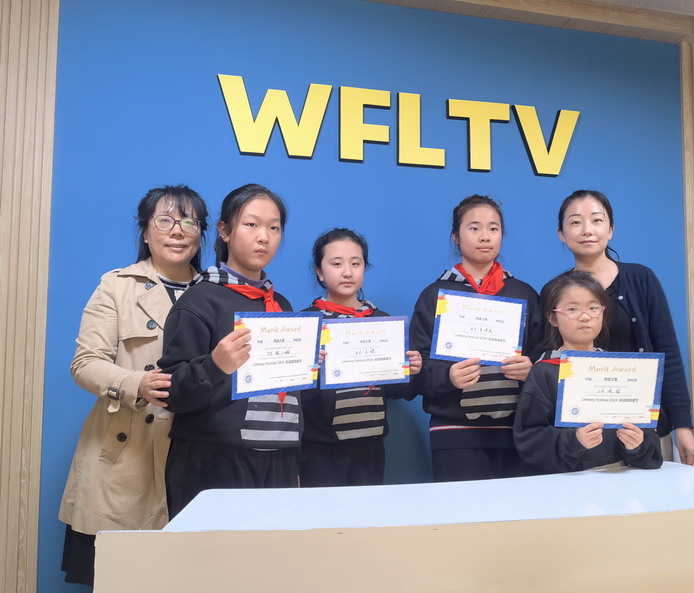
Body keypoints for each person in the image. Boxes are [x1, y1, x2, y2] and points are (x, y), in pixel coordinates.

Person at [59, 185, 209, 586]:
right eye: (164, 220)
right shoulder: (116, 285)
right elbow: (84, 363)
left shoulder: (217, 292)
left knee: (196, 579)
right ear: (145, 231)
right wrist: (134, 383)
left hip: (199, 452)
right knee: (122, 582)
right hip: (128, 455)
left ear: (201, 234)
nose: (176, 231)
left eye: (189, 222)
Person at [157, 183, 297, 517]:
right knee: (214, 552)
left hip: (280, 458)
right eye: (251, 224)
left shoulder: (281, 304)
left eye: (274, 228)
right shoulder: (198, 301)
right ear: (224, 231)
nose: (264, 237)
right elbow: (170, 393)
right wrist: (214, 365)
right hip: (215, 460)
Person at [555, 189, 694, 464]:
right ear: (561, 234)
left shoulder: (641, 279)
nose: (587, 229)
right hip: (585, 433)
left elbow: (668, 353)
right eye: (575, 222)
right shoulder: (556, 290)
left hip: (643, 429)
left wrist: (683, 425)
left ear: (610, 229)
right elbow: (550, 360)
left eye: (596, 220)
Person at [409, 194, 542, 482]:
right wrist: (448, 377)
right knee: (460, 511)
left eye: (493, 228)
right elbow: (416, 370)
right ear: (456, 237)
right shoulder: (434, 295)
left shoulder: (524, 294)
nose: (485, 236)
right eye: (474, 228)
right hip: (453, 434)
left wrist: (531, 370)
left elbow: (545, 358)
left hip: (516, 435)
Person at [299, 228, 422, 486]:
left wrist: (411, 370)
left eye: (356, 263)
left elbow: (402, 391)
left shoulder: (383, 322)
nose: (347, 272)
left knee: (367, 510)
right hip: (319, 449)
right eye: (336, 264)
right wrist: (307, 370)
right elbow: (293, 393)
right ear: (320, 272)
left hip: (370, 446)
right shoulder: (306, 323)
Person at [513, 269, 662, 474]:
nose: (585, 317)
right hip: (567, 482)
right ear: (552, 318)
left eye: (593, 308)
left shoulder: (623, 371)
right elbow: (529, 439)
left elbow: (649, 439)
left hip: (621, 479)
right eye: (572, 309)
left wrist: (637, 444)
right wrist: (574, 441)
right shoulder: (544, 372)